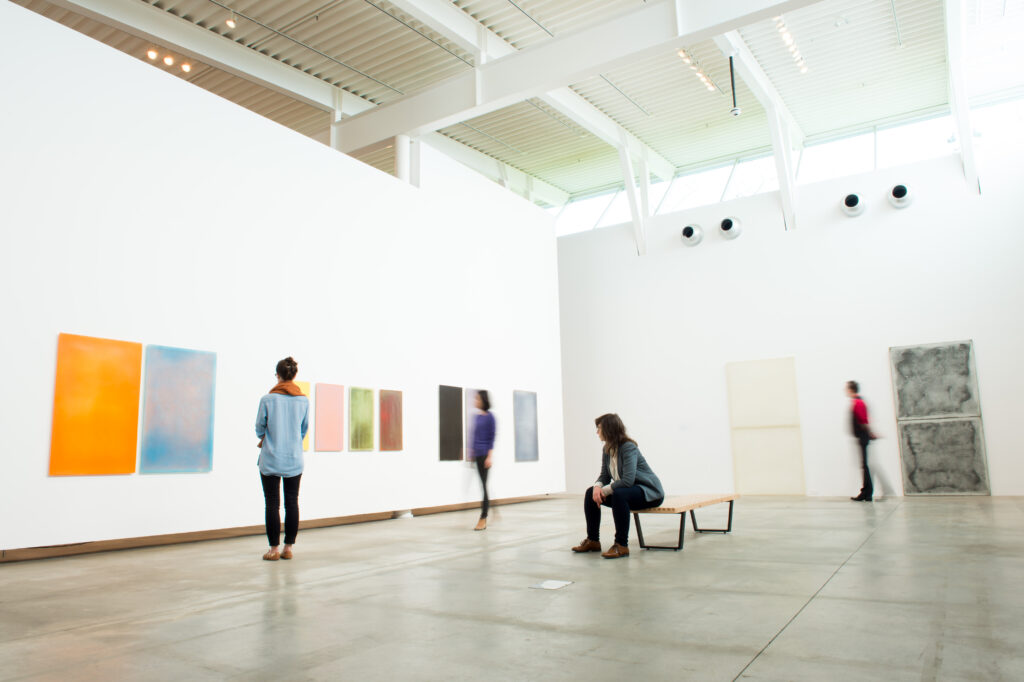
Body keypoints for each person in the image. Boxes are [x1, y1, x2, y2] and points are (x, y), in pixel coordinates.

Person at [572, 414, 664, 559]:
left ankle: (621, 545)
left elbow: (628, 480)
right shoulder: (607, 449)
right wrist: (597, 487)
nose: (597, 432)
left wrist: (604, 490)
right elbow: (604, 475)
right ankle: (593, 540)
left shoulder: (628, 447)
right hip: (628, 491)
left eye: (599, 429)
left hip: (648, 492)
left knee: (620, 494)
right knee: (591, 492)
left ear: (608, 429)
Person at [255, 357, 309, 560]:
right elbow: (303, 430)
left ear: (277, 375)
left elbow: (259, 428)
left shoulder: (267, 400)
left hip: (270, 458)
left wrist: (269, 437)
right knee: (292, 502)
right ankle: (288, 548)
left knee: (271, 503)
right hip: (294, 458)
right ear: (294, 376)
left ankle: (273, 550)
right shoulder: (303, 401)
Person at [470, 390, 496, 531]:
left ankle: (483, 518)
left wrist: (489, 457)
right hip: (477, 455)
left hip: (485, 456)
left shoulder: (490, 417)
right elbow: (474, 437)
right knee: (483, 485)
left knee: (484, 487)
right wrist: (471, 453)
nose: (476, 401)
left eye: (477, 399)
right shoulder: (477, 417)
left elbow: (492, 438)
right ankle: (491, 514)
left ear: (483, 400)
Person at [847, 380, 875, 502]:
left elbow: (863, 420)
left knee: (865, 465)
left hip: (863, 436)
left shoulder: (858, 402)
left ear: (851, 389)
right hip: (862, 436)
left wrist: (869, 433)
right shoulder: (857, 402)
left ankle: (867, 493)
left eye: (847, 389)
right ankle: (866, 492)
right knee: (864, 465)